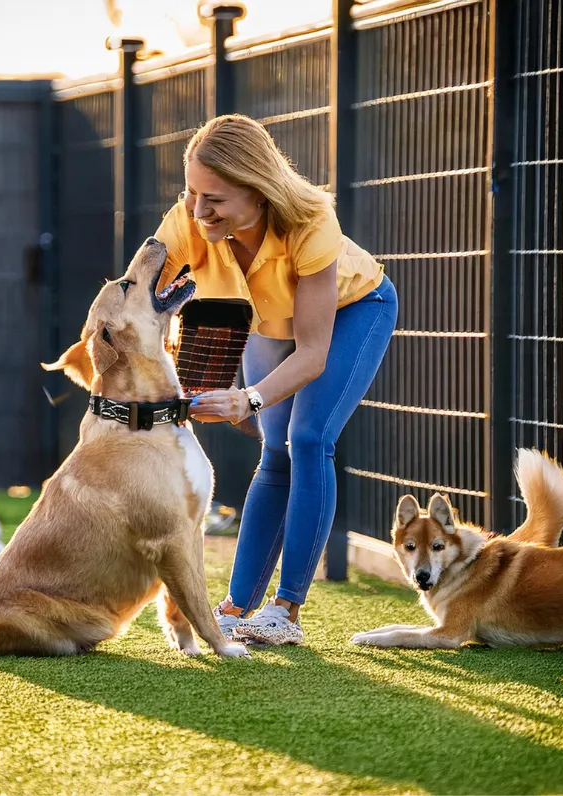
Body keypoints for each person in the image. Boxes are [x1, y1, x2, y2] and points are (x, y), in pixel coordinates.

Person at [153, 114, 398, 646]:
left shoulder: (311, 222)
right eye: (191, 192)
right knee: (275, 451)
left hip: (355, 308)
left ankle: (285, 611)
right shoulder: (186, 221)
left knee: (307, 439)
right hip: (268, 319)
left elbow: (312, 353)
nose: (198, 210)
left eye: (214, 199)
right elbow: (137, 292)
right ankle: (238, 605)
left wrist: (248, 398)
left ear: (258, 190)